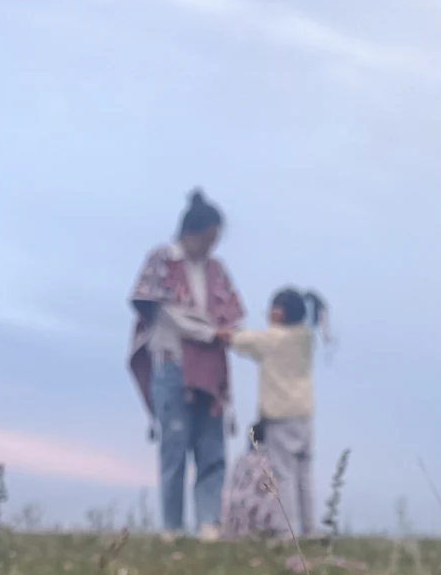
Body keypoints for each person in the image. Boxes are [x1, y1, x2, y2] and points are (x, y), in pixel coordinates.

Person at [128, 190, 244, 541]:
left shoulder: (217, 269)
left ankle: (210, 524)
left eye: (216, 239)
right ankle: (172, 528)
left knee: (211, 445)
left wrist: (218, 334)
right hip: (171, 363)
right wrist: (208, 331)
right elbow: (164, 312)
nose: (211, 245)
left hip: (210, 370)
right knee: (174, 444)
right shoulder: (162, 260)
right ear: (192, 232)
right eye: (208, 237)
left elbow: (232, 316)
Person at [229, 287, 328, 538]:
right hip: (304, 414)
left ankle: (287, 531)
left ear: (278, 312)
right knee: (303, 473)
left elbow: (239, 340)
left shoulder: (272, 339)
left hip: (280, 416)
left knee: (283, 475)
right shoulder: (305, 338)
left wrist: (225, 332)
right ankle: (309, 529)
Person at [220, 420, 285, 538]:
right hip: (263, 522)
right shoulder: (273, 461)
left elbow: (228, 492)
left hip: (237, 521)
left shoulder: (241, 460)